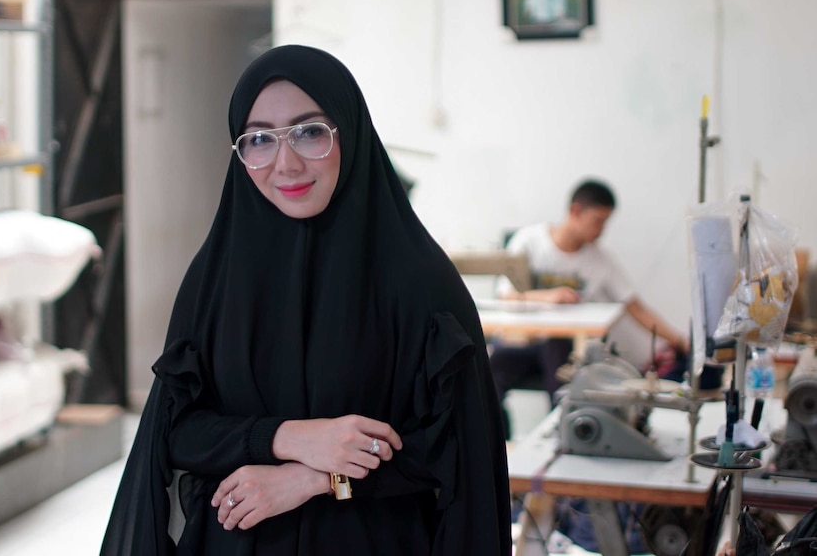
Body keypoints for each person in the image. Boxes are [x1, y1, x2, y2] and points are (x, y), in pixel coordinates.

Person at [100, 45, 511, 555]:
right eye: (258, 140)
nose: (285, 163)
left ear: (350, 131)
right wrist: (286, 438)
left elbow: (457, 447)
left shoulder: (421, 282)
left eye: (310, 132)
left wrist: (316, 479)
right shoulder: (216, 278)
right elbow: (175, 430)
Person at [491, 179, 694, 438]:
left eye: (606, 222)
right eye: (598, 221)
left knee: (559, 348)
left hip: (563, 351)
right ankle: (496, 445)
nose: (602, 230)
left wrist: (679, 341)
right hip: (523, 345)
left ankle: (561, 437)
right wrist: (548, 297)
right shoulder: (529, 242)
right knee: (489, 373)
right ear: (576, 211)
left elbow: (635, 308)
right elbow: (505, 295)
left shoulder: (600, 260)